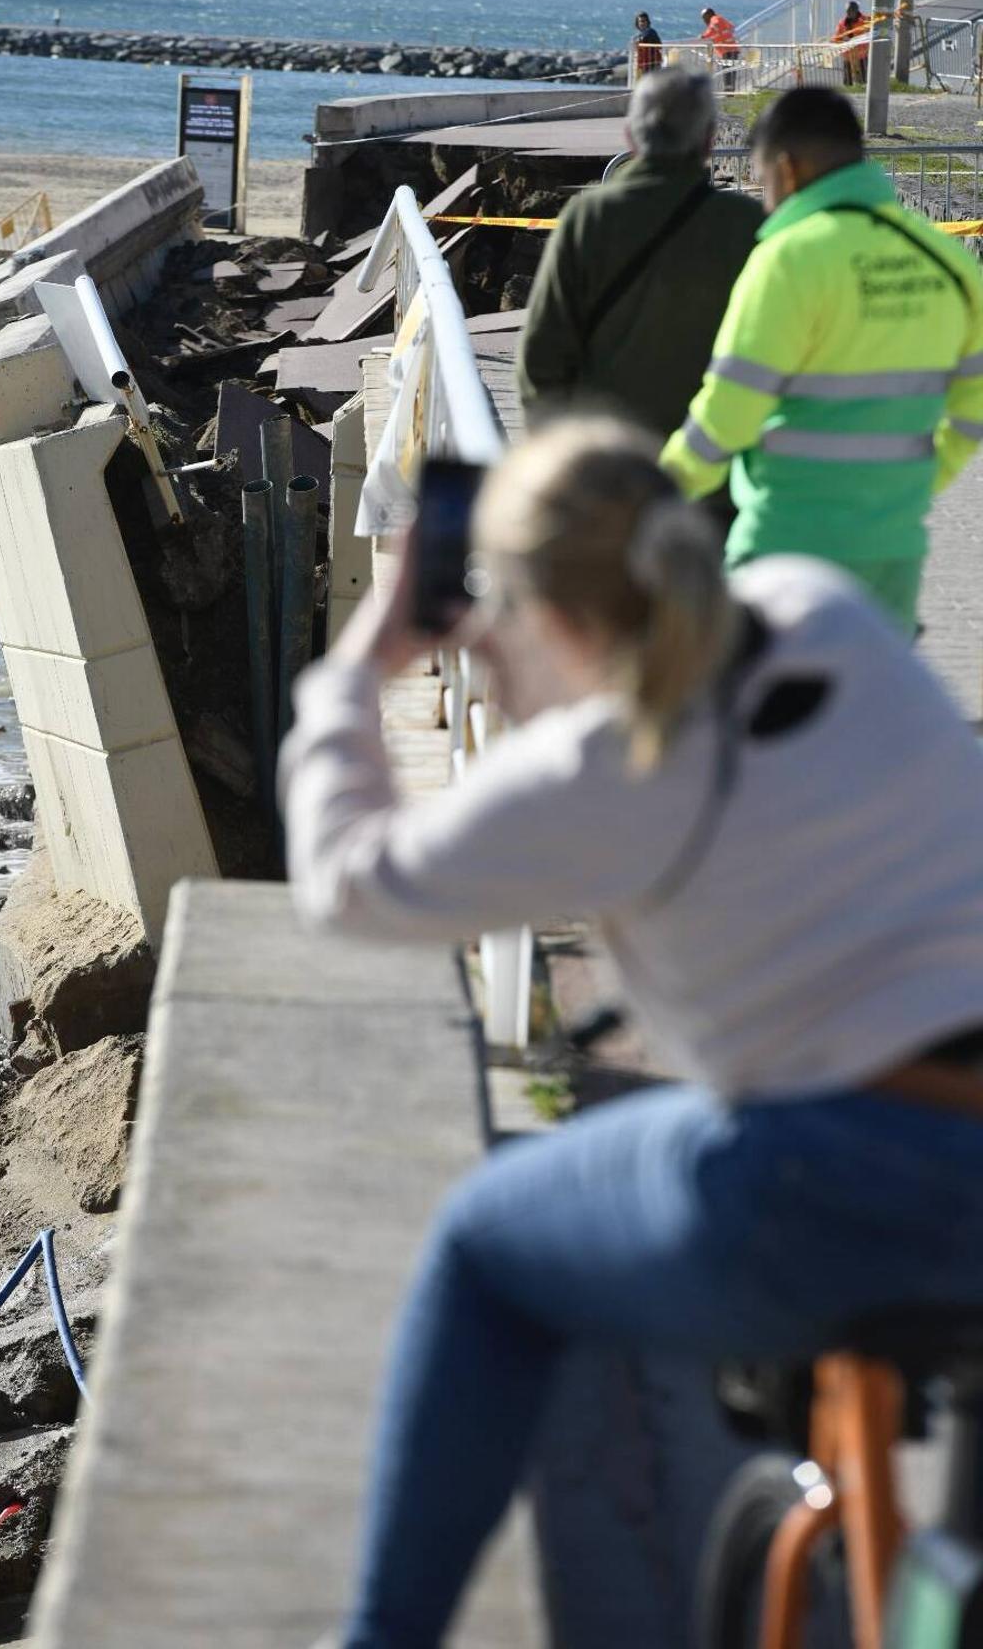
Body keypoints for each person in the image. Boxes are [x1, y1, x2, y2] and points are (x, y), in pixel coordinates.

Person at [281, 416, 983, 1648]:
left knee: (483, 1250)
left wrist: (353, 674)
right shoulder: (821, 607)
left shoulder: (599, 767)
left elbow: (349, 879)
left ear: (542, 609)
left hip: (836, 1181)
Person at [661, 86, 983, 634]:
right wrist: (921, 481)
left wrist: (656, 491)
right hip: (893, 551)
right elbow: (973, 408)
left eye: (763, 180)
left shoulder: (787, 259)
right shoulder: (948, 261)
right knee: (874, 711)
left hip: (784, 551)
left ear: (786, 170)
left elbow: (727, 415)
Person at [518, 68, 763, 438]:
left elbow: (542, 353)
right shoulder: (747, 224)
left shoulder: (590, 217)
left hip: (609, 457)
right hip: (713, 458)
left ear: (631, 137)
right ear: (710, 141)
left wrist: (560, 449)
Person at [700, 4, 740, 91]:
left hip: (727, 50)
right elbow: (731, 27)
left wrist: (703, 36)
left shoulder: (715, 19)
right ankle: (730, 92)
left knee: (727, 72)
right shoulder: (721, 19)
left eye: (704, 17)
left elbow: (713, 28)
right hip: (732, 49)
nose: (704, 20)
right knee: (731, 72)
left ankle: (728, 92)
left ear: (708, 15)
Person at [832, 0, 869, 86]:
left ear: (856, 11)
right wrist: (841, 41)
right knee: (848, 82)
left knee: (863, 81)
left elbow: (871, 34)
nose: (848, 13)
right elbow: (837, 38)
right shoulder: (842, 23)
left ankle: (862, 92)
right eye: (847, 11)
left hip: (861, 56)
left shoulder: (865, 21)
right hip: (848, 56)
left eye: (850, 11)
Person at [633, 10, 663, 77]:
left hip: (651, 63)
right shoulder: (640, 34)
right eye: (640, 21)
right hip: (644, 63)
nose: (642, 23)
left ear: (647, 22)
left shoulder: (650, 32)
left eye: (644, 21)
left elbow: (659, 45)